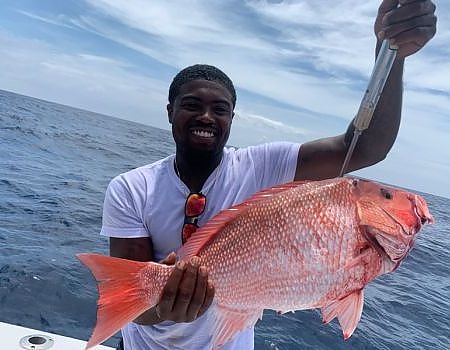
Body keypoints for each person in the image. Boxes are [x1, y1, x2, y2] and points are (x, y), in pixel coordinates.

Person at [100, 1, 437, 349]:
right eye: (191, 105)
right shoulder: (130, 188)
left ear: (232, 118)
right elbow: (134, 304)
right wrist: (165, 306)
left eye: (220, 109)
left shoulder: (264, 167)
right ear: (170, 111)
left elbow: (364, 148)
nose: (206, 117)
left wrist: (391, 57)